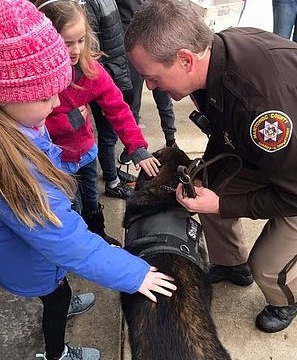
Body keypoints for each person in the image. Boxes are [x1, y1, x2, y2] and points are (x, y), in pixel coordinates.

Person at [0, 2, 176, 360]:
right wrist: (134, 274)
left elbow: (54, 154)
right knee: (55, 295)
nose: (56, 103)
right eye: (46, 96)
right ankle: (57, 353)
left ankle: (60, 286)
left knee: (61, 275)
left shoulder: (21, 126)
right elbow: (64, 239)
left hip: (38, 248)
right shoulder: (15, 170)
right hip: (31, 262)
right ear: (5, 96)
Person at [125, 0, 297, 334]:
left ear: (185, 59)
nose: (149, 86)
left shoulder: (262, 109)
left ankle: (285, 298)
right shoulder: (215, 58)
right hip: (267, 157)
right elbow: (225, 129)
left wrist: (224, 205)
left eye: (152, 77)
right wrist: (211, 187)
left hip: (293, 178)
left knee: (267, 267)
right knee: (201, 186)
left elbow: (293, 194)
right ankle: (233, 264)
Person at [33, 0, 160, 246]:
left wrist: (137, 147)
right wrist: (69, 120)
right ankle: (80, 245)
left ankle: (98, 234)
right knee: (72, 204)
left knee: (91, 198)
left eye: (81, 40)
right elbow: (28, 126)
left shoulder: (91, 70)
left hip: (86, 153)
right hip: (56, 160)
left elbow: (118, 109)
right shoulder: (37, 79)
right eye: (67, 43)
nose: (76, 50)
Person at [115, 0, 178, 166]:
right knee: (132, 102)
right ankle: (134, 147)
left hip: (158, 44)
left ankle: (171, 139)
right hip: (131, 50)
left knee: (164, 97)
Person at [85, 0, 136, 199]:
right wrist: (107, 84)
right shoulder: (88, 4)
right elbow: (94, 51)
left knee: (111, 133)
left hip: (117, 69)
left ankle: (110, 171)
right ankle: (112, 184)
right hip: (108, 76)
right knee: (107, 133)